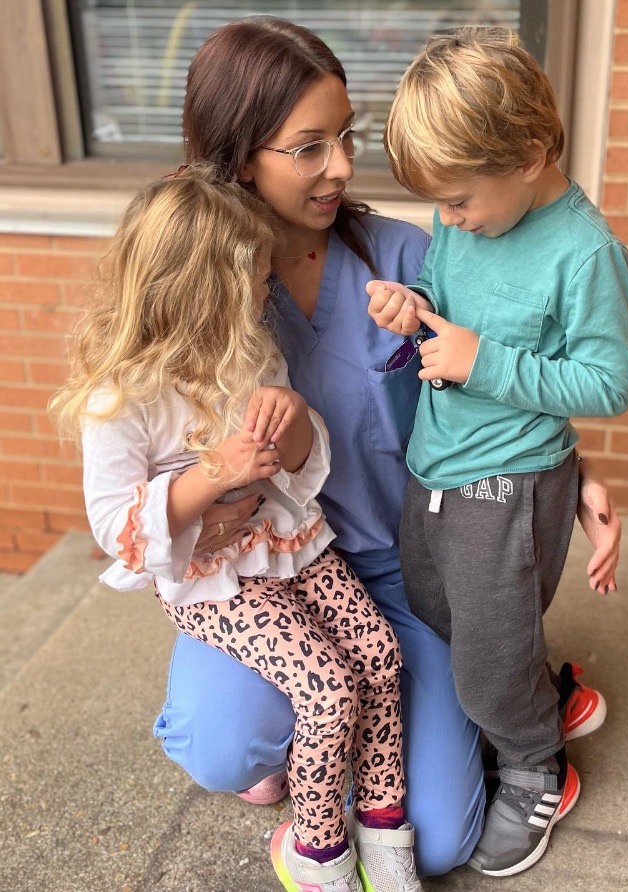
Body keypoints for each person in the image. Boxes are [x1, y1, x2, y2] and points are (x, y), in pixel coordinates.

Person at [149, 16, 622, 880]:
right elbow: (135, 437)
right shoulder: (200, 286)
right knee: (221, 750)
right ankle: (325, 743)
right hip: (267, 581)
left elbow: (503, 376)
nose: (340, 166)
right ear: (236, 157)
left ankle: (513, 701)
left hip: (408, 569)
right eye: (307, 147)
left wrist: (572, 469)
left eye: (346, 138)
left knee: (439, 843)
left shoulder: (414, 255)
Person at [49, 167, 424, 892]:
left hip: (291, 545)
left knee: (378, 654)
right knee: (327, 689)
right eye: (254, 279)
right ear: (204, 294)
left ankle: (383, 823)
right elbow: (113, 528)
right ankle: (316, 852)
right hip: (213, 580)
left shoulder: (248, 349)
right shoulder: (122, 397)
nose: (266, 290)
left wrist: (291, 435)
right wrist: (208, 477)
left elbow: (298, 459)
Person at [365, 27, 628, 877]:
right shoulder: (469, 219)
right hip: (436, 464)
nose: (447, 222)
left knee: (482, 668)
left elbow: (608, 384)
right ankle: (551, 695)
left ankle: (534, 769)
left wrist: (487, 361)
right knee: (443, 612)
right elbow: (455, 302)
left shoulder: (585, 252)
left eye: (458, 202)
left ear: (529, 154)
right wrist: (416, 307)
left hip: (511, 480)